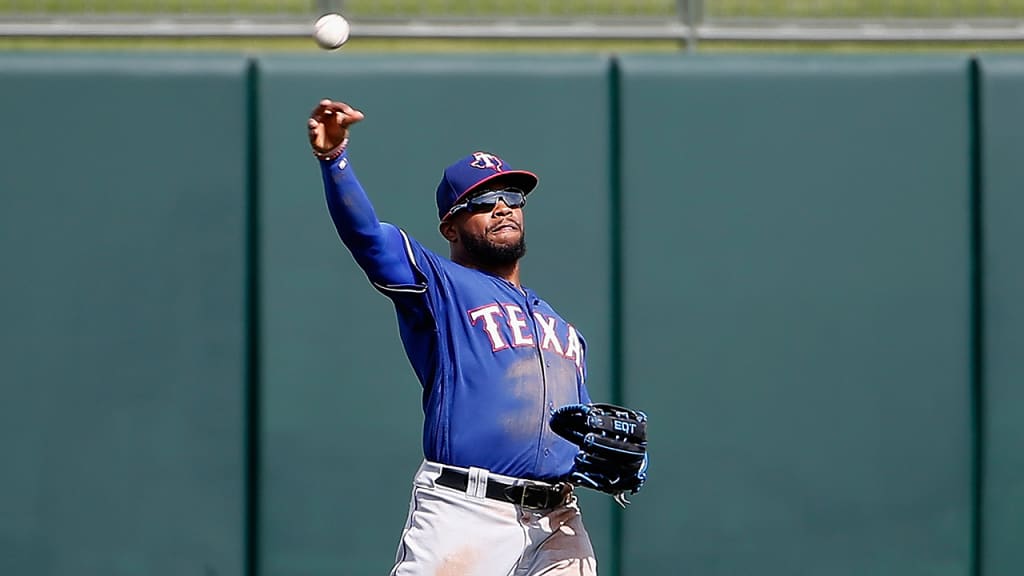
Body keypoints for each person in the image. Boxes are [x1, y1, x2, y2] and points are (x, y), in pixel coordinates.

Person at [307, 99, 598, 575]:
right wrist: (334, 159)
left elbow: (579, 428)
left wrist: (604, 459)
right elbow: (367, 238)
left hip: (559, 521)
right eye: (483, 202)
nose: (502, 207)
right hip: (467, 511)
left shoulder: (563, 329)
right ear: (451, 226)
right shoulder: (440, 286)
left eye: (512, 197)